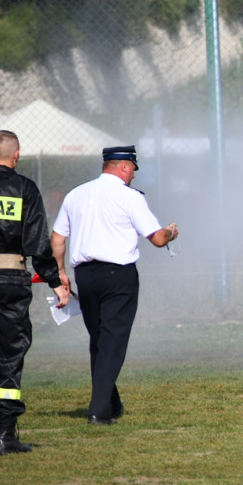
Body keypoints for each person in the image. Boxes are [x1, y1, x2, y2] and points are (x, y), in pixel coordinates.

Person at [0, 130, 70, 455]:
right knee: (11, 351)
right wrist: (55, 280)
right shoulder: (25, 189)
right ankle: (6, 435)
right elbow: (38, 244)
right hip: (12, 280)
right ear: (15, 155)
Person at [50, 146, 178, 425]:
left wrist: (60, 273)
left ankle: (111, 402)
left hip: (85, 275)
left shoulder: (76, 194)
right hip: (118, 275)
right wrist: (171, 232)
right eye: (132, 169)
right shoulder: (129, 197)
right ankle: (98, 411)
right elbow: (157, 239)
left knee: (100, 339)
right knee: (112, 342)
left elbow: (58, 238)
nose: (133, 175)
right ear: (123, 167)